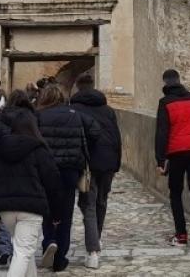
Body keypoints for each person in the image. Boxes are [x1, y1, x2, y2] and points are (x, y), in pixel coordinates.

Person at [0, 109, 63, 277]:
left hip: (6, 210)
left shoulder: (0, 150)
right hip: (31, 208)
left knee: (23, 250)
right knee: (23, 251)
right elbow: (53, 183)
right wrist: (56, 214)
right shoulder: (39, 149)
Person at [35, 84, 100, 272]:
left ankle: (49, 241)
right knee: (65, 213)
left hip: (46, 170)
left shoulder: (39, 116)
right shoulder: (74, 114)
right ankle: (60, 258)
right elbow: (95, 131)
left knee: (47, 209)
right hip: (70, 170)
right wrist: (83, 149)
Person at [155, 69, 190, 253]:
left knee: (176, 194)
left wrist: (160, 159)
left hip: (177, 153)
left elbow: (162, 133)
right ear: (179, 81)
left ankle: (181, 236)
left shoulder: (165, 102)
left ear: (165, 83)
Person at [70, 74, 122, 269]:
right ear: (93, 86)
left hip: (88, 164)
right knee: (101, 201)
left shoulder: (74, 109)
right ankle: (96, 239)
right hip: (108, 162)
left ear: (77, 87)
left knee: (88, 205)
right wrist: (117, 163)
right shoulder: (108, 110)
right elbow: (117, 137)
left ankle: (93, 251)